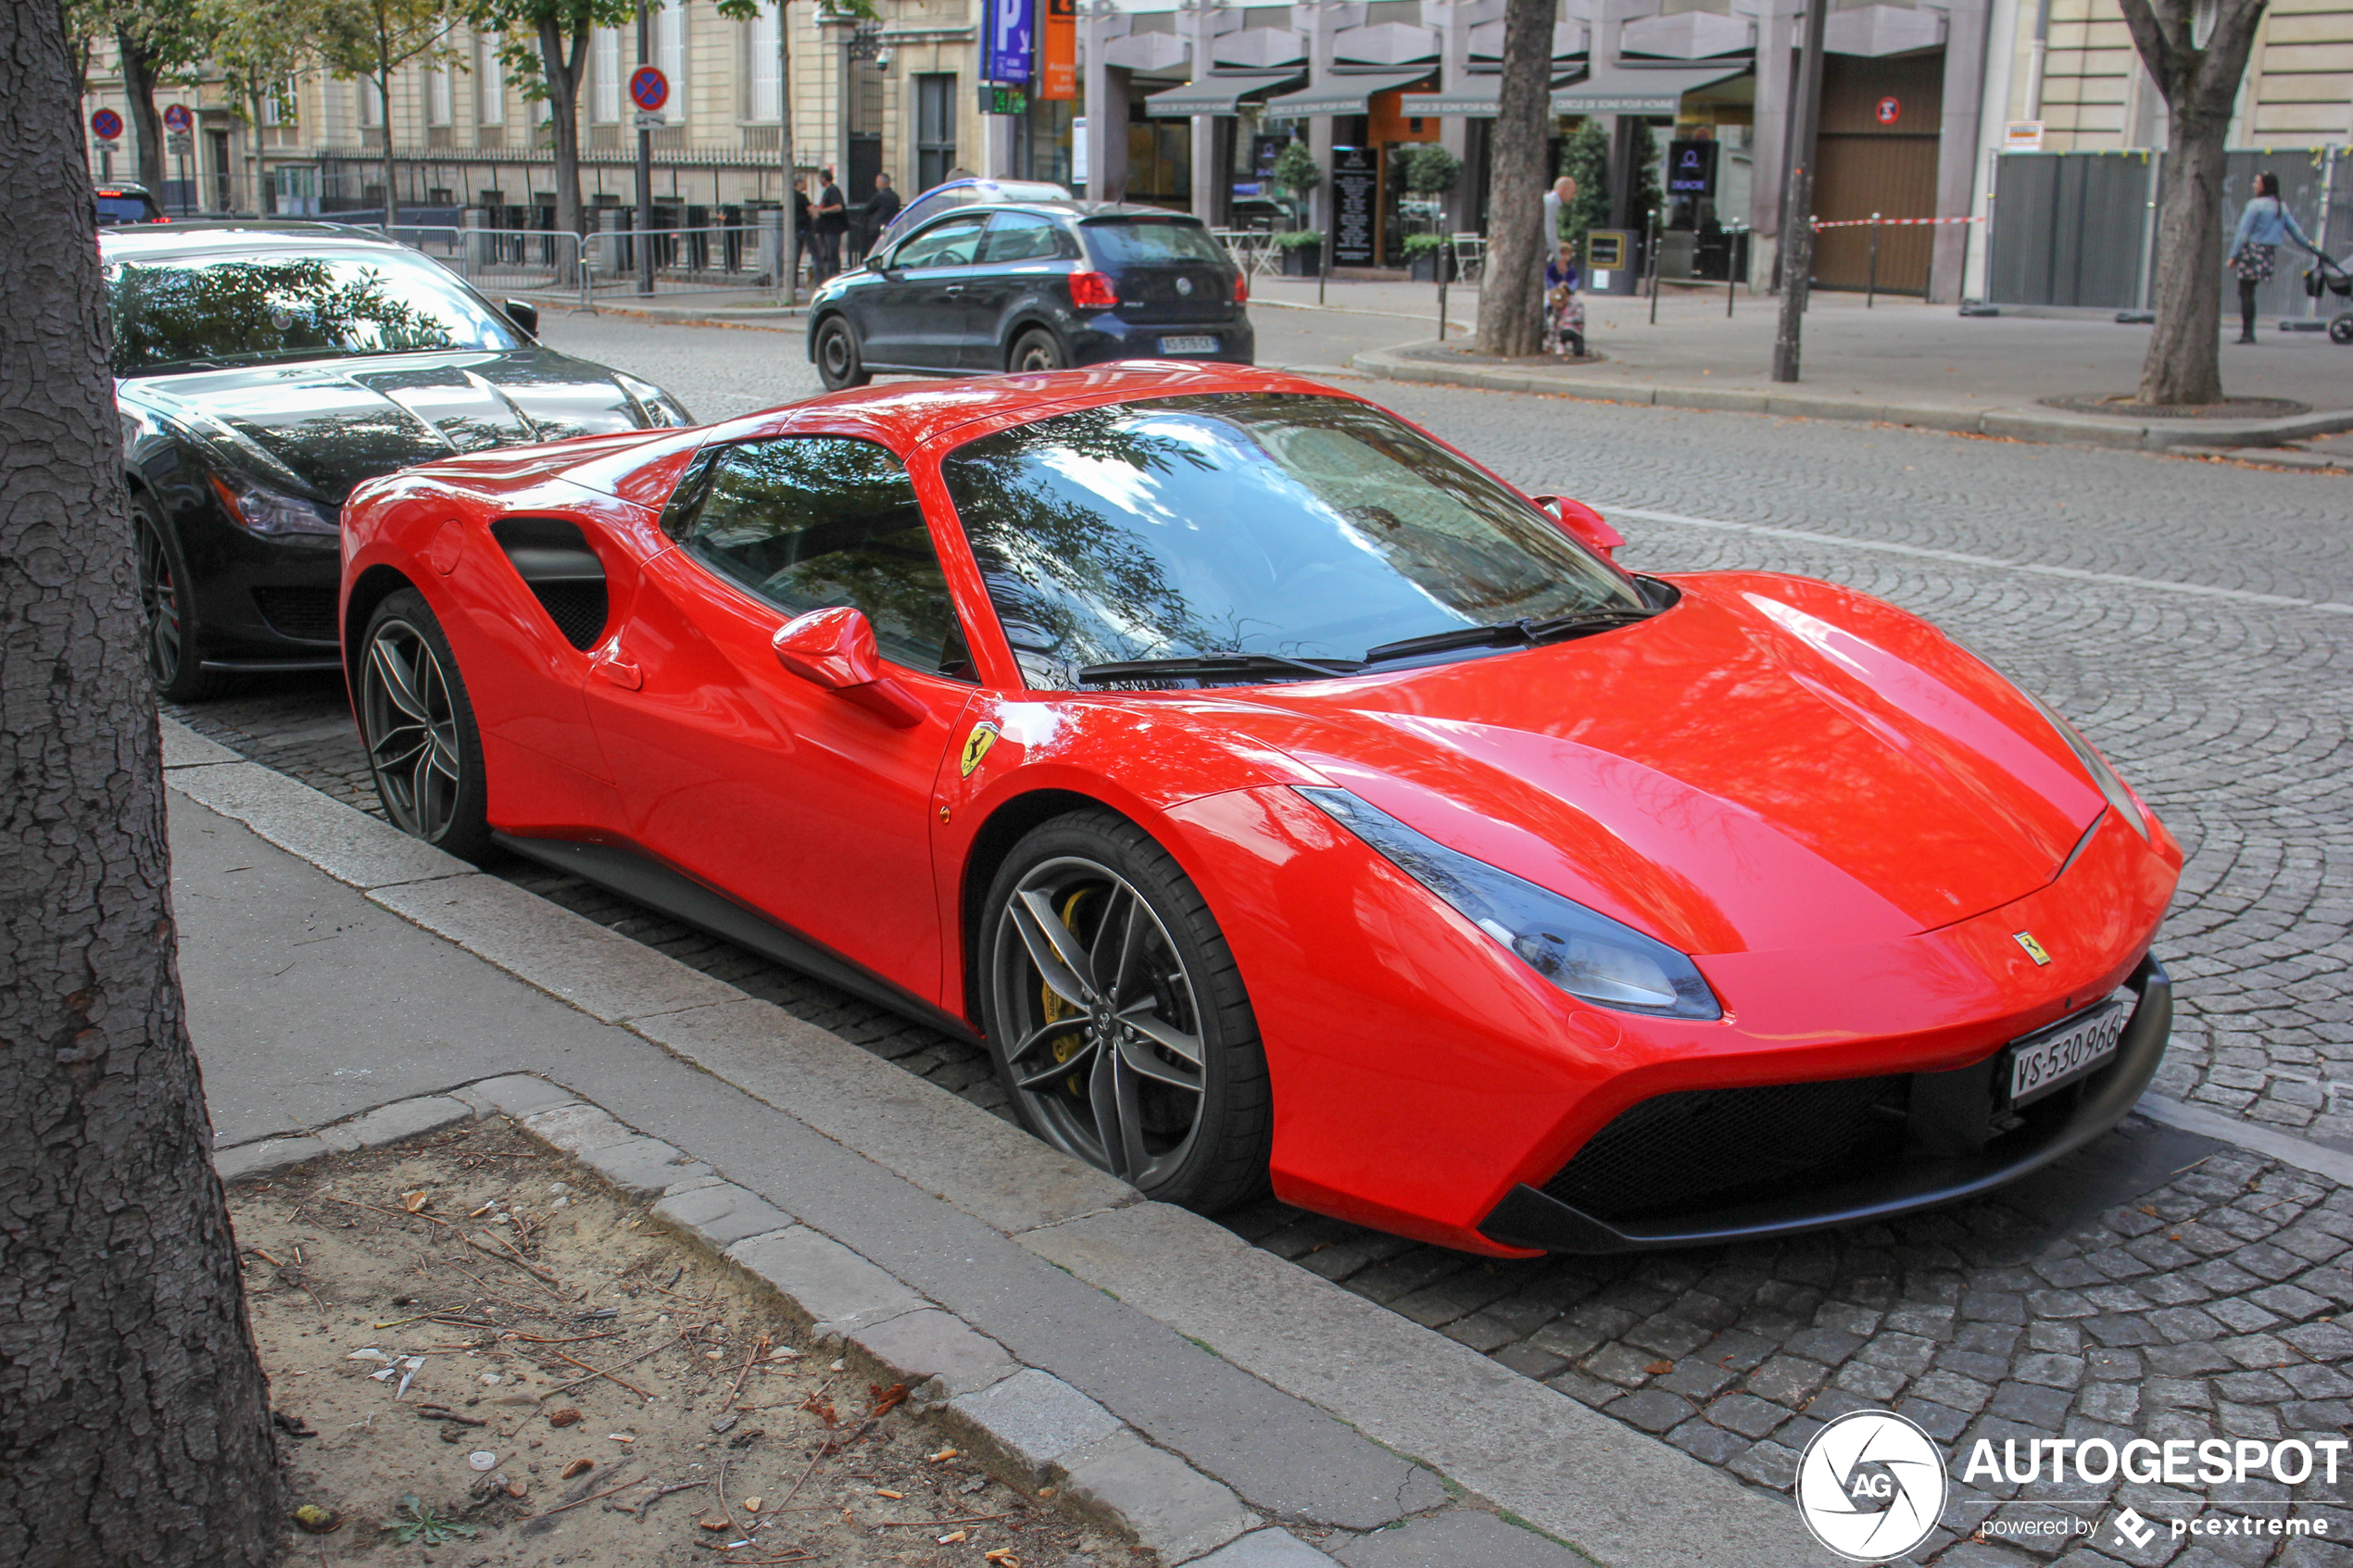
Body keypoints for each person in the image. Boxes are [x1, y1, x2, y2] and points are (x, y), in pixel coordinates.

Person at [2229, 171, 2320, 345]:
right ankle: (2248, 332)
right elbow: (2294, 230)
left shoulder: (2255, 205)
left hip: (2251, 251)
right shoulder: (2280, 206)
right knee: (2250, 290)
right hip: (2267, 252)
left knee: (2245, 291)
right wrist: (2308, 245)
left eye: (2257, 182)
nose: (2254, 185)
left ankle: (2247, 333)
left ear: (2264, 185)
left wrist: (2234, 255)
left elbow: (2243, 232)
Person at [1543, 242, 1585, 359]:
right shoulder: (1553, 268)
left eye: (1567, 254)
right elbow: (1548, 279)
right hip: (1555, 294)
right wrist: (1556, 287)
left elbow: (1574, 280)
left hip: (1566, 293)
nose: (1564, 257)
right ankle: (1548, 331)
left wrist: (1568, 287)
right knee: (1549, 306)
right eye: (1562, 254)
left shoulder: (1570, 269)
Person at [812, 165, 848, 282]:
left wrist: (823, 211)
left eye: (820, 178)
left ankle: (834, 276)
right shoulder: (828, 191)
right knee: (828, 254)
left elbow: (838, 207)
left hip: (832, 229)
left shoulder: (833, 190)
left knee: (832, 254)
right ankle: (830, 275)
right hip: (826, 229)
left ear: (824, 178)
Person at [858, 172, 901, 262]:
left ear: (882, 183)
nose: (876, 184)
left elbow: (867, 209)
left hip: (876, 229)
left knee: (874, 251)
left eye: (877, 182)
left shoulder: (879, 196)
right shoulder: (895, 197)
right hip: (891, 228)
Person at [790, 174, 813, 288]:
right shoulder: (802, 197)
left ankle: (794, 284)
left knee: (795, 258)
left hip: (795, 229)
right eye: (804, 182)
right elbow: (814, 212)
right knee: (816, 255)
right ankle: (818, 282)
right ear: (799, 183)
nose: (806, 184)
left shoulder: (791, 196)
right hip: (805, 229)